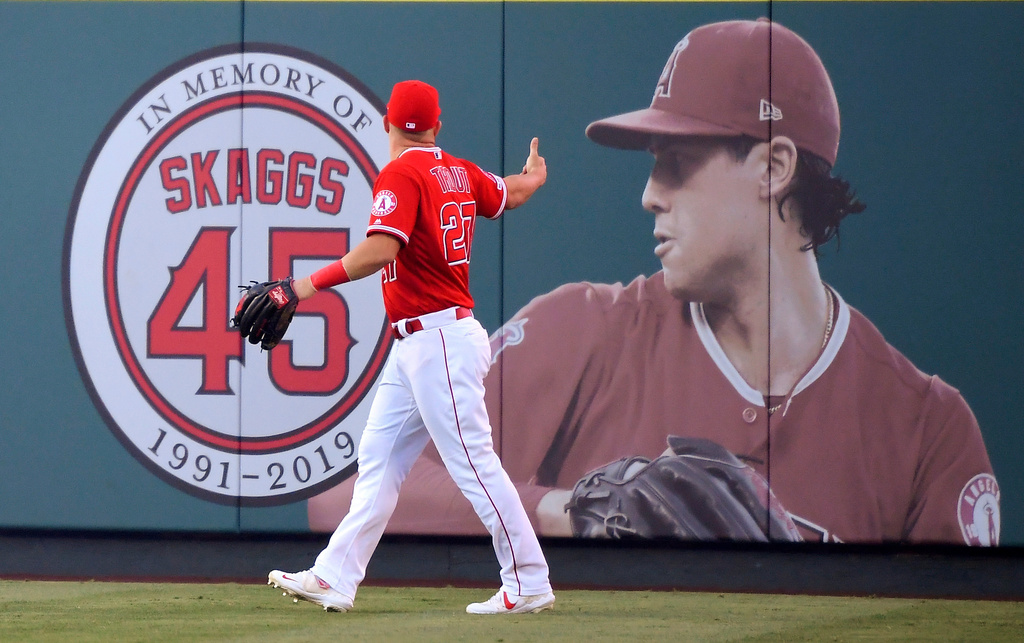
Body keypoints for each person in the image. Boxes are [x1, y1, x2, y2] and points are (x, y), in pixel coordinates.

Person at [307, 20, 1000, 546]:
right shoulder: (583, 330)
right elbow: (344, 499)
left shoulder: (927, 431)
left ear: (772, 166)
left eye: (675, 162)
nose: (648, 195)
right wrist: (570, 510)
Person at [268, 80, 556, 614]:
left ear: (388, 124)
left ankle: (529, 578)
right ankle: (335, 575)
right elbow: (510, 192)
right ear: (436, 126)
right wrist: (534, 175)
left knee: (473, 463)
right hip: (420, 343)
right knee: (378, 459)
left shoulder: (402, 171)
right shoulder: (459, 170)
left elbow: (381, 249)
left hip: (438, 341)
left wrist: (303, 286)